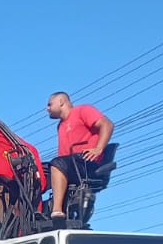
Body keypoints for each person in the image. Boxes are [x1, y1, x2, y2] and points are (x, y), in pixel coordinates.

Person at [45, 92, 114, 220]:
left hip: (87, 163)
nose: (47, 108)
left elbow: (107, 124)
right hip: (72, 164)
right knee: (40, 170)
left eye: (50, 104)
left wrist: (98, 148)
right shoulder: (60, 125)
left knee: (57, 164)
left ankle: (57, 210)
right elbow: (63, 157)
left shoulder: (83, 110)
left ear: (61, 102)